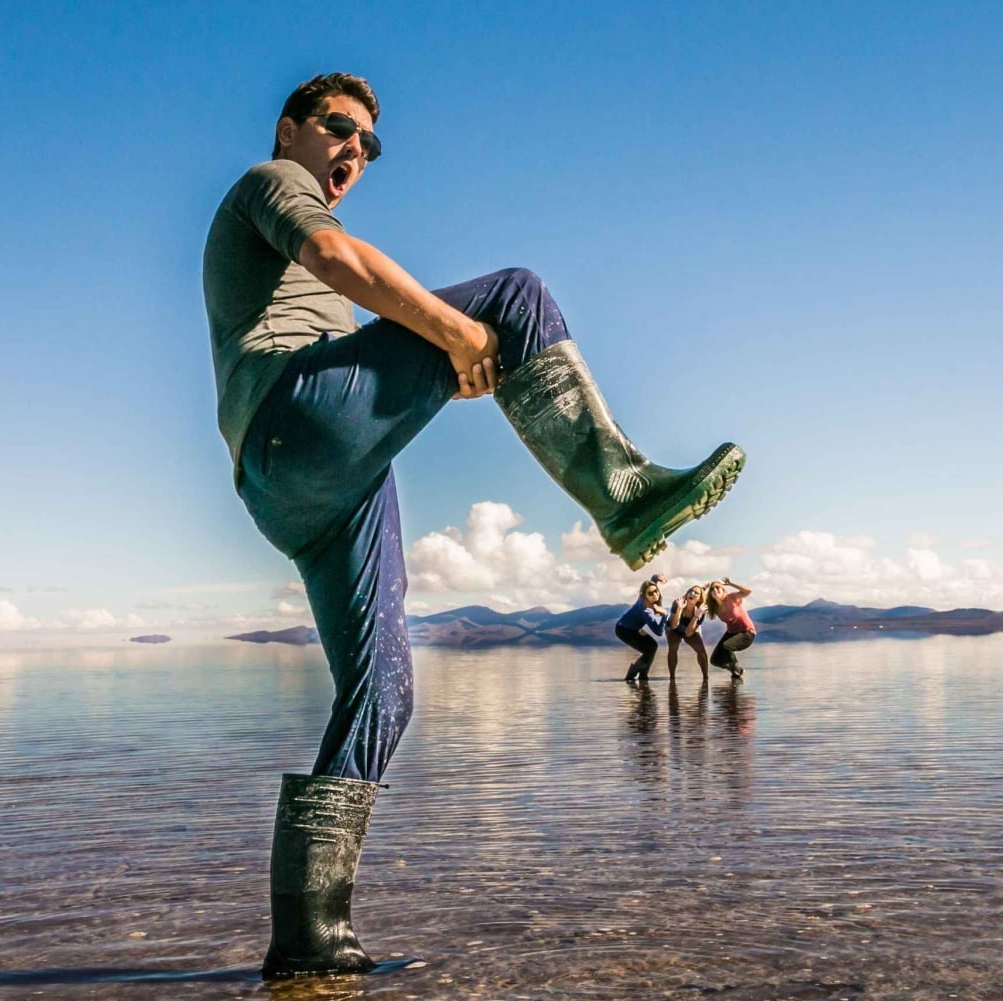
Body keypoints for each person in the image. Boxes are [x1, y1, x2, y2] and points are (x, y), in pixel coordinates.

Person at [202, 73, 745, 978]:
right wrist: (461, 330)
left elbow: (396, 354)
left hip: (314, 483)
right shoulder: (271, 181)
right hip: (291, 419)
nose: (353, 154)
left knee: (384, 693)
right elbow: (346, 265)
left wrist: (455, 360)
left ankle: (310, 941)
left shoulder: (310, 218)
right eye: (340, 131)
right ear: (290, 128)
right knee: (518, 297)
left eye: (369, 148)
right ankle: (624, 493)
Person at [616, 577, 668, 684]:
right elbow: (659, 632)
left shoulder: (647, 594)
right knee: (650, 648)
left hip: (633, 628)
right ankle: (632, 674)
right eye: (650, 594)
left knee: (652, 647)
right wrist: (664, 615)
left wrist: (657, 577)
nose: (655, 595)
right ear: (644, 595)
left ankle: (643, 676)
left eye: (656, 591)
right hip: (623, 630)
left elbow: (652, 582)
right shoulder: (646, 611)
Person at [706, 577, 757, 677]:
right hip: (731, 633)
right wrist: (703, 588)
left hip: (747, 633)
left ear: (723, 589)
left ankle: (736, 670)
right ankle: (736, 670)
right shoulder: (714, 607)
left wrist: (730, 583)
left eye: (717, 587)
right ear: (711, 594)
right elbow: (698, 601)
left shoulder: (732, 598)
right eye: (712, 589)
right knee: (714, 660)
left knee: (726, 647)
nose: (715, 590)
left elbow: (748, 591)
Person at [665, 583, 710, 680]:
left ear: (699, 599)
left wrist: (696, 615)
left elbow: (688, 633)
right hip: (674, 628)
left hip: (690, 627)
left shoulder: (701, 610)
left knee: (701, 650)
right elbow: (673, 626)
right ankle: (672, 678)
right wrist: (679, 610)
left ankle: (706, 678)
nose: (692, 593)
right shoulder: (677, 602)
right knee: (673, 647)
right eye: (690, 591)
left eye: (696, 593)